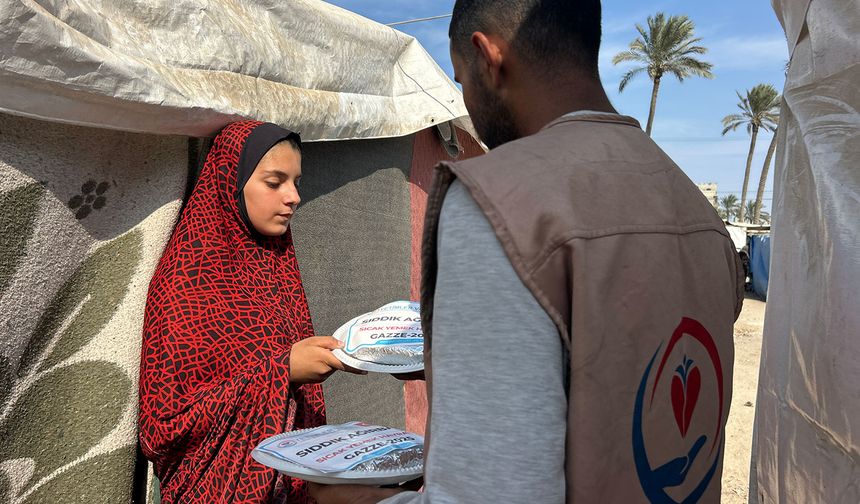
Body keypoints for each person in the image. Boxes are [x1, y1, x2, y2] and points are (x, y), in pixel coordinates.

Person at [310, 1, 743, 503]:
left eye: (460, 81)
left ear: (486, 57)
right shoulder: (695, 207)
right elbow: (621, 368)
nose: (467, 101)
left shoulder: (500, 200)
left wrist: (365, 501)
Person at [139, 121, 364, 503]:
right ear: (232, 182)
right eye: (275, 182)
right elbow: (162, 428)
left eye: (296, 181)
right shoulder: (188, 281)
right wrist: (282, 371)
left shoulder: (277, 266)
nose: (293, 196)